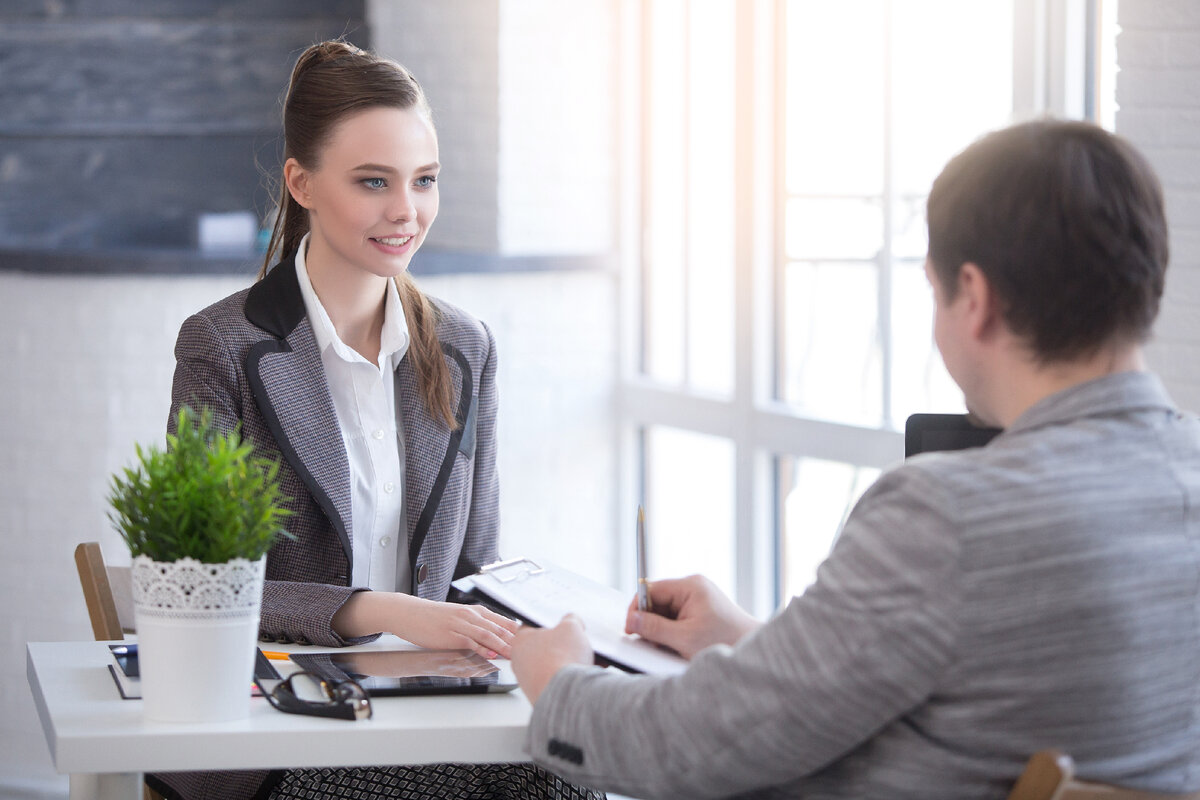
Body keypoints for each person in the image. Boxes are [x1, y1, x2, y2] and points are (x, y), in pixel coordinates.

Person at [511, 119, 1200, 799]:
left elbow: (699, 744)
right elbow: (967, 686)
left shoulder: (949, 517)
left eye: (934, 292)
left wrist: (560, 684)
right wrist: (752, 641)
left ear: (976, 298)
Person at [154, 40, 600, 800]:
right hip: (276, 729)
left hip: (430, 709)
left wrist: (538, 631)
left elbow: (475, 573)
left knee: (571, 766)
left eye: (424, 181)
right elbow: (196, 589)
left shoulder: (465, 348)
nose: (407, 211)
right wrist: (379, 611)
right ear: (302, 183)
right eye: (373, 182)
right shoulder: (221, 347)